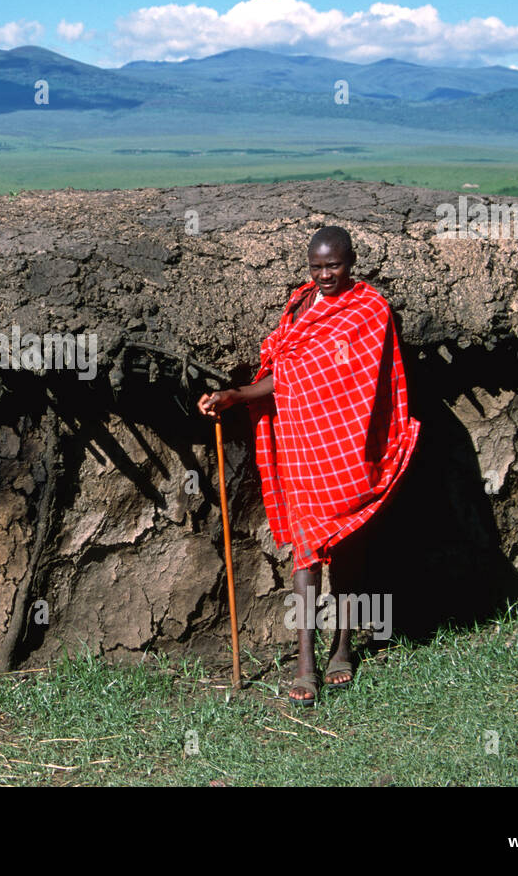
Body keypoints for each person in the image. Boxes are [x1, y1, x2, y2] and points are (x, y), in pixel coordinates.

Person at [197, 226, 420, 706]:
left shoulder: (369, 310)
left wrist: (247, 393)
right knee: (306, 552)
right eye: (316, 267)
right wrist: (234, 396)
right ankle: (305, 663)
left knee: (346, 546)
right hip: (301, 445)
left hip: (345, 444)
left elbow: (351, 379)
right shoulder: (301, 304)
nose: (324, 276)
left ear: (352, 261)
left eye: (333, 266)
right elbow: (286, 374)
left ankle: (342, 646)